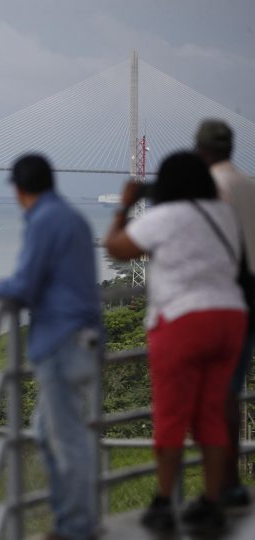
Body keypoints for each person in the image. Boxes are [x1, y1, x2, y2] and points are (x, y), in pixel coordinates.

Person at [0, 154, 102, 540]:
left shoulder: (45, 221)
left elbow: (26, 285)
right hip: (81, 336)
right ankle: (72, 523)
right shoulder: (72, 218)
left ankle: (77, 528)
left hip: (63, 341)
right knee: (51, 434)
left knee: (64, 441)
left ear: (19, 190)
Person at [105, 151, 246, 534]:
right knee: (212, 414)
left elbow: (116, 247)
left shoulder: (163, 217)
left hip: (183, 322)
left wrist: (125, 205)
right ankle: (213, 502)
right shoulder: (224, 216)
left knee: (171, 416)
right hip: (230, 320)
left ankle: (165, 501)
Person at [196, 119, 255, 508]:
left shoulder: (209, 190)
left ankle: (219, 488)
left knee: (212, 398)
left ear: (201, 151)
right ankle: (229, 483)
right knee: (228, 394)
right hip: (250, 298)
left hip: (222, 301)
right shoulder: (250, 186)